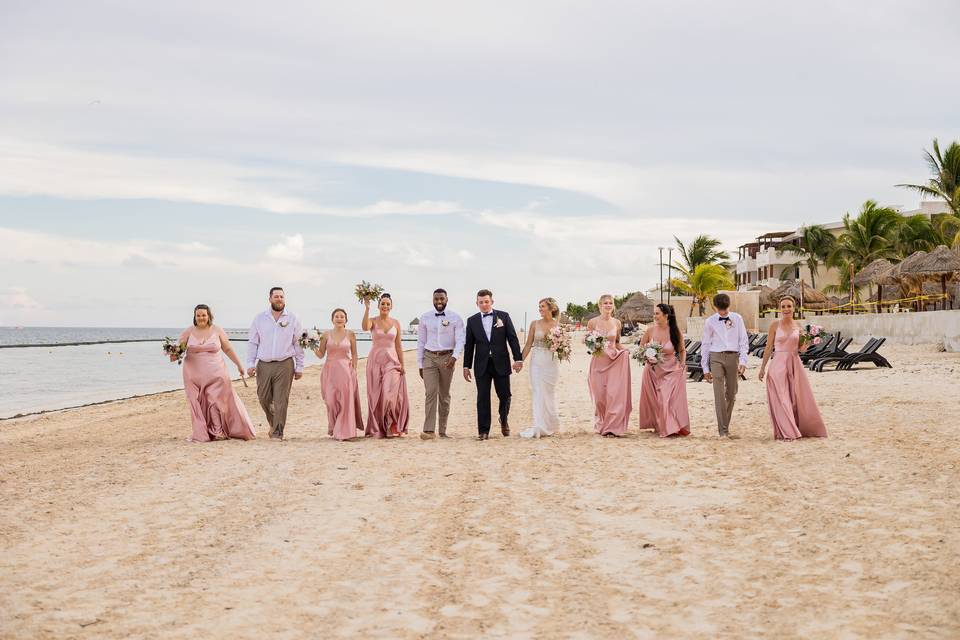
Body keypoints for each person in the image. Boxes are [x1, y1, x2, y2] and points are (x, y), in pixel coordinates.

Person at [178, 304, 256, 442]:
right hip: (193, 375)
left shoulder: (217, 330)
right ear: (194, 317)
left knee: (214, 400)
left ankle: (218, 431)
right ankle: (203, 432)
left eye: (203, 315)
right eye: (198, 315)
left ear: (209, 316)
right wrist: (172, 353)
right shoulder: (188, 332)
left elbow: (228, 349)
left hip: (216, 373)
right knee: (197, 403)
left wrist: (238, 365)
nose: (201, 318)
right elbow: (178, 352)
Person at [758, 295, 828, 441]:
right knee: (782, 398)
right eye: (783, 306)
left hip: (794, 364)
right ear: (779, 308)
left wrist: (811, 340)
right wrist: (763, 368)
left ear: (794, 308)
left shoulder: (799, 327)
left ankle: (797, 427)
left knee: (796, 399)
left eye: (789, 306)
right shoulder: (774, 325)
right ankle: (788, 432)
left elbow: (802, 350)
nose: (786, 309)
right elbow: (768, 347)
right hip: (778, 365)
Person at [463, 289, 523, 440]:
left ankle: (503, 419)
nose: (484, 304)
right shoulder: (472, 321)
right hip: (481, 364)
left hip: (501, 362)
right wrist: (466, 366)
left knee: (505, 395)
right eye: (481, 302)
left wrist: (518, 358)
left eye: (486, 302)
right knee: (482, 397)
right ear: (477, 303)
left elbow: (512, 339)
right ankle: (483, 431)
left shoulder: (503, 316)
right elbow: (469, 346)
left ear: (492, 302)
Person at [247, 287, 304, 440]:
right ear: (270, 299)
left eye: (281, 297)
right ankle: (273, 423)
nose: (279, 299)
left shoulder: (293, 318)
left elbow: (298, 343)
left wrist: (300, 366)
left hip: (285, 364)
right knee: (263, 398)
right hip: (264, 364)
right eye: (276, 296)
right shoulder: (259, 318)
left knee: (281, 400)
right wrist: (250, 364)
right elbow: (253, 342)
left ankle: (278, 432)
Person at [416, 288, 465, 440]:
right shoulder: (425, 317)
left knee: (444, 395)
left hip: (447, 359)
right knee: (430, 393)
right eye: (436, 299)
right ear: (432, 299)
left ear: (446, 299)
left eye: (441, 299)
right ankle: (429, 430)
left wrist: (455, 357)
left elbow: (460, 340)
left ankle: (443, 431)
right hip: (429, 357)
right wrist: (420, 363)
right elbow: (421, 342)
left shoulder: (455, 318)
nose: (439, 302)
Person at [637, 303, 691, 437]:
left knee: (665, 398)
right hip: (653, 370)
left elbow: (682, 350)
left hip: (671, 370)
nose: (654, 316)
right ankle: (660, 425)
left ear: (665, 315)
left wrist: (682, 364)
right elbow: (641, 347)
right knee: (655, 400)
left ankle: (670, 427)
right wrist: (647, 357)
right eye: (654, 313)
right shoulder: (650, 330)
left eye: (657, 313)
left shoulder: (675, 331)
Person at [701, 292, 750, 438]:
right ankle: (723, 431)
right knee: (719, 394)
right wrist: (705, 367)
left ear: (729, 306)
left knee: (731, 393)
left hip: (733, 357)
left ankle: (725, 426)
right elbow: (705, 344)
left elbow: (743, 340)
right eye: (720, 310)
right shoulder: (710, 321)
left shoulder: (737, 318)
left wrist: (743, 361)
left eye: (725, 309)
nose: (723, 312)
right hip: (715, 357)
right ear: (715, 307)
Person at [362, 293, 410, 438]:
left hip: (392, 361)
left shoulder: (396, 323)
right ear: (378, 306)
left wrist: (402, 364)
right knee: (377, 395)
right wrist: (367, 308)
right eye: (383, 303)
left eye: (388, 304)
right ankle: (380, 428)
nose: (385, 306)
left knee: (389, 395)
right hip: (375, 361)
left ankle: (390, 426)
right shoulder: (372, 321)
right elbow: (364, 327)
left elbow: (399, 346)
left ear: (391, 306)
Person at [314, 308, 363, 441]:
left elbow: (354, 354)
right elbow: (320, 355)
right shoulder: (325, 335)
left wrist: (354, 368)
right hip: (329, 371)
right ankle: (335, 427)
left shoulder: (351, 334)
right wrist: (311, 345)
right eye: (337, 316)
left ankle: (345, 431)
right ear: (332, 319)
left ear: (346, 320)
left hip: (346, 371)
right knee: (330, 401)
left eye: (342, 316)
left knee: (345, 402)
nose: (339, 318)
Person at [586, 294, 631, 437]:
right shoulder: (592, 322)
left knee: (612, 395)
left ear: (613, 306)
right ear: (599, 305)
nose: (608, 305)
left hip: (614, 361)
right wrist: (594, 345)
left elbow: (617, 343)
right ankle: (601, 423)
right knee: (599, 397)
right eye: (605, 303)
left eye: (610, 303)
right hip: (598, 362)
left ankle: (611, 426)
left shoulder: (617, 323)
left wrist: (626, 351)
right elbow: (588, 343)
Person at [518, 297, 561, 438]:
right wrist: (520, 361)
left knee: (548, 392)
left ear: (550, 308)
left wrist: (561, 347)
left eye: (542, 306)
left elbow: (561, 348)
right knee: (538, 391)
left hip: (551, 362)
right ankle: (539, 425)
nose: (540, 309)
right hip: (537, 361)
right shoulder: (534, 324)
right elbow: (528, 345)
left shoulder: (558, 325)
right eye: (539, 306)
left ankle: (550, 424)